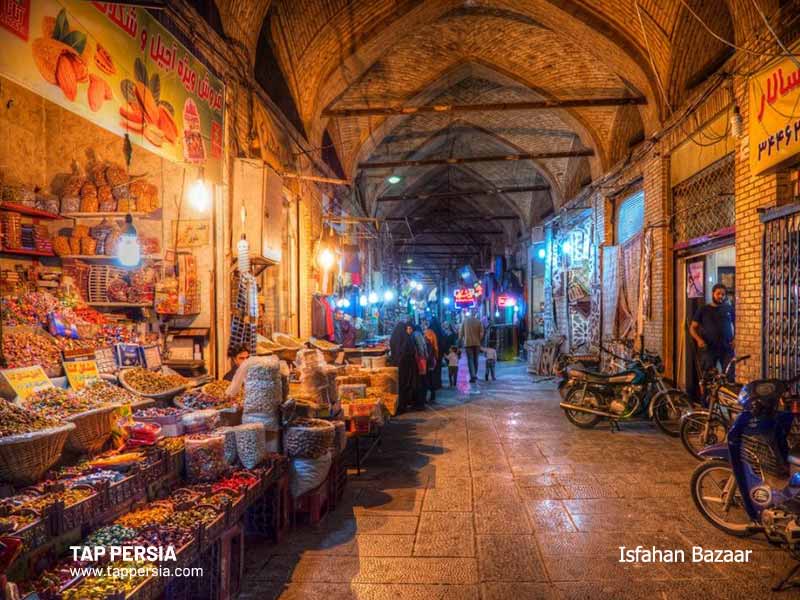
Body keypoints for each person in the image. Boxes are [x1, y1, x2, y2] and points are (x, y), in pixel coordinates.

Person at [690, 283, 735, 379]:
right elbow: (692, 328)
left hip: (726, 348)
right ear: (712, 293)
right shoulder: (703, 309)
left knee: (729, 377)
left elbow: (738, 324)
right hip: (709, 349)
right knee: (708, 378)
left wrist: (735, 339)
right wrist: (698, 340)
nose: (721, 296)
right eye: (718, 294)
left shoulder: (729, 308)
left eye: (723, 294)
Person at [389, 321, 419, 413]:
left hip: (396, 364)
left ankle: (398, 406)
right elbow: (410, 351)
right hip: (405, 366)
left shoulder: (394, 337)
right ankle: (402, 405)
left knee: (398, 386)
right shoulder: (406, 339)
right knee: (404, 385)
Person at [459, 310, 484, 383]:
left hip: (468, 343)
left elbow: (461, 333)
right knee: (476, 359)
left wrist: (460, 341)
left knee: (470, 359)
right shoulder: (478, 322)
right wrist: (479, 339)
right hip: (477, 343)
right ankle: (474, 374)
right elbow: (481, 333)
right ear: (475, 314)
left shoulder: (465, 321)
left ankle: (473, 375)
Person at [410, 323, 429, 408]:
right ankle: (422, 401)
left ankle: (420, 402)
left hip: (420, 361)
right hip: (423, 360)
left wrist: (420, 356)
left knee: (420, 381)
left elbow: (420, 348)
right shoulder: (419, 334)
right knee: (422, 380)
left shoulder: (416, 334)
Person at [428, 317, 446, 391]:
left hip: (431, 353)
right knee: (438, 368)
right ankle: (438, 383)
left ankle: (432, 384)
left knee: (431, 369)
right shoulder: (440, 331)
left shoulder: (429, 331)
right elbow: (443, 342)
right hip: (439, 353)